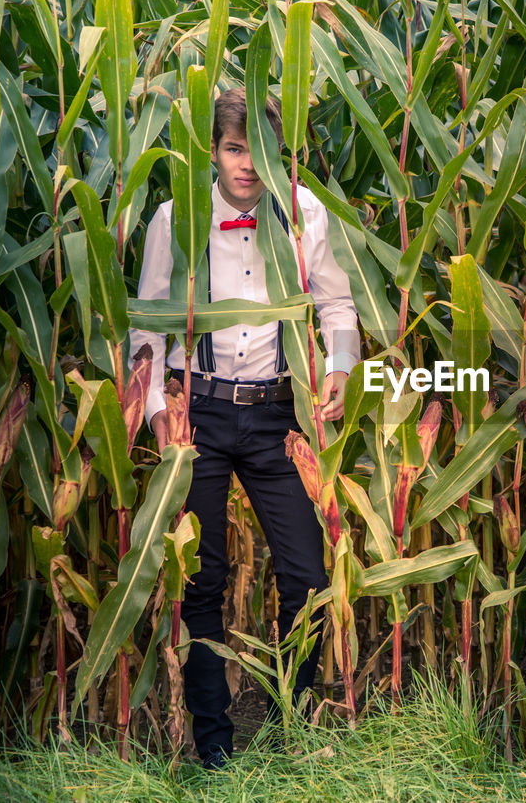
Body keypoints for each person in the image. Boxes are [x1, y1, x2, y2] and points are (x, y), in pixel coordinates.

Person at [130, 87, 360, 769]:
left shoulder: (305, 215)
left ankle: (287, 714)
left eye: (257, 151)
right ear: (213, 150)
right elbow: (147, 325)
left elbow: (339, 304)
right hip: (195, 411)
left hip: (275, 413)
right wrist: (155, 415)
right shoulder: (177, 219)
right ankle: (215, 746)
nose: (246, 167)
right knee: (200, 579)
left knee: (309, 576)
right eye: (234, 149)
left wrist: (342, 365)